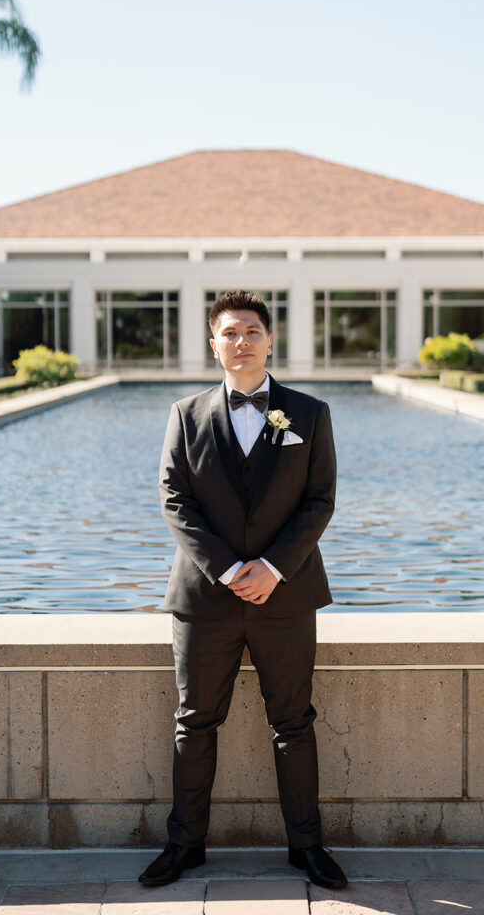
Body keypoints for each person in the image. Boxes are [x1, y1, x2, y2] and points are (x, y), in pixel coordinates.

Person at [139, 289, 347, 890]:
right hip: (206, 599)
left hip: (287, 596)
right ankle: (184, 846)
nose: (241, 341)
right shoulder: (185, 414)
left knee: (294, 723)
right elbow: (174, 500)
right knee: (195, 722)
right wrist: (231, 570)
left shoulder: (309, 413)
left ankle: (307, 848)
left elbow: (320, 501)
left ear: (269, 340)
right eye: (229, 333)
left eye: (251, 331)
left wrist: (272, 568)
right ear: (214, 344)